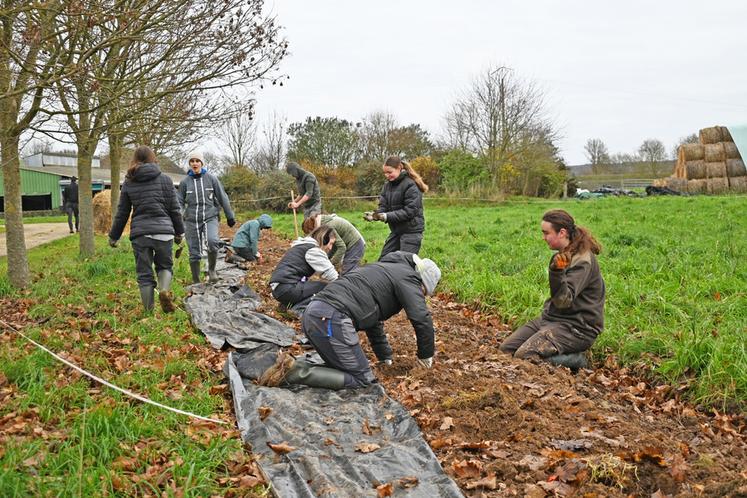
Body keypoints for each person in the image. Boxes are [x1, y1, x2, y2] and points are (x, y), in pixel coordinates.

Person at [260, 251, 442, 390]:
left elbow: (373, 320)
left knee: (342, 369)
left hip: (314, 314)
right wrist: (426, 356)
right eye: (423, 292)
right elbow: (421, 318)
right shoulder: (407, 277)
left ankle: (291, 365)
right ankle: (296, 372)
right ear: (421, 282)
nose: (420, 296)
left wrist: (384, 357)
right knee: (362, 380)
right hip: (332, 319)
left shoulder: (382, 270)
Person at [499, 209, 605, 370]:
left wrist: (555, 272)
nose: (543, 238)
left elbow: (563, 301)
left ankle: (577, 361)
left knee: (525, 356)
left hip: (577, 328)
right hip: (551, 320)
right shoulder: (564, 255)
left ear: (562, 233)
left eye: (546, 233)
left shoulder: (582, 261)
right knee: (506, 350)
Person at [108, 146, 185, 313]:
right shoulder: (165, 179)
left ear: (135, 160)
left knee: (144, 274)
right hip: (164, 233)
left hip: (140, 234)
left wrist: (114, 236)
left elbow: (122, 212)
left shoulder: (129, 181)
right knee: (165, 266)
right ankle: (164, 290)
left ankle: (149, 312)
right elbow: (174, 209)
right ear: (153, 158)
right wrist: (180, 233)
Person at [178, 150, 235, 284]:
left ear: (202, 163)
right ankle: (196, 280)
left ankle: (212, 270)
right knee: (194, 252)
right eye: (192, 161)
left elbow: (222, 196)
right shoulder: (185, 182)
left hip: (210, 217)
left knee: (212, 241)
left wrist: (229, 216)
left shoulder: (211, 179)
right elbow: (179, 201)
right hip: (192, 220)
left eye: (197, 161)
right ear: (190, 164)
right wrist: (180, 216)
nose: (195, 163)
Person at [364, 155, 428, 259]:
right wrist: (375, 215)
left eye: (389, 172)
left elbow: (409, 211)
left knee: (405, 265)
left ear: (399, 168)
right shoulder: (387, 186)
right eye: (385, 173)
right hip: (396, 231)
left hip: (411, 232)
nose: (387, 175)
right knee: (384, 261)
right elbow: (383, 206)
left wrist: (385, 216)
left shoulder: (411, 185)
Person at [269, 226, 338, 311]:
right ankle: (298, 309)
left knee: (312, 284)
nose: (330, 248)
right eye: (330, 243)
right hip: (286, 289)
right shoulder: (313, 250)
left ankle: (287, 305)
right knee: (326, 287)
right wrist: (346, 285)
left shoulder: (303, 245)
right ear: (324, 239)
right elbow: (331, 274)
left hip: (280, 288)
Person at [301, 213, 366, 274]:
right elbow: (335, 246)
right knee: (346, 273)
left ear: (312, 229)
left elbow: (341, 247)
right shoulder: (323, 223)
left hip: (355, 245)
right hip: (351, 243)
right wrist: (326, 258)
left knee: (348, 273)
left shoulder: (328, 226)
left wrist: (331, 263)